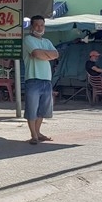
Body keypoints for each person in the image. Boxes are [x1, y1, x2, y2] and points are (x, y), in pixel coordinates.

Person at [21, 15, 59, 144]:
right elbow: (37, 54)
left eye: (42, 25)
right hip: (33, 78)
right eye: (37, 25)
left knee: (43, 109)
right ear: (32, 26)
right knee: (32, 108)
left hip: (46, 79)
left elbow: (56, 54)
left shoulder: (47, 41)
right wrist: (46, 54)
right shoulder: (27, 39)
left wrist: (41, 54)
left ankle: (38, 132)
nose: (39, 27)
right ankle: (33, 135)